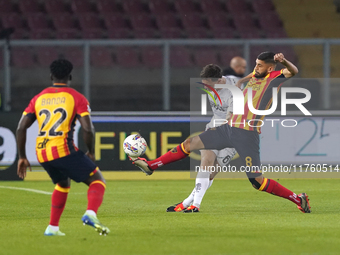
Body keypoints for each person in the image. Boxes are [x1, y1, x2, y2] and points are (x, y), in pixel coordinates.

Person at [132, 52, 311, 214]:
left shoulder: (274, 78)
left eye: (260, 65)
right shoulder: (255, 76)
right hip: (228, 128)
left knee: (257, 182)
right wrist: (241, 82)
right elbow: (244, 80)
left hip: (247, 134)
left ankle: (298, 198)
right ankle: (151, 166)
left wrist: (284, 61)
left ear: (270, 68)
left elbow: (293, 71)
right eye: (255, 64)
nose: (255, 67)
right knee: (190, 143)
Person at [16, 59, 110, 236]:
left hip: (42, 153)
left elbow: (21, 127)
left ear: (51, 76)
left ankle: (52, 228)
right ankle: (90, 214)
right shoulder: (76, 97)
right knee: (97, 180)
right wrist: (91, 151)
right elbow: (88, 129)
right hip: (62, 150)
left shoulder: (38, 97)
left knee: (62, 183)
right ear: (70, 77)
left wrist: (22, 156)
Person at [167, 63, 240, 213]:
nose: (205, 88)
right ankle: (196, 205)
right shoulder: (212, 84)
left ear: (219, 81)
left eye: (208, 85)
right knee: (205, 162)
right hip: (214, 126)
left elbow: (230, 118)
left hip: (234, 132)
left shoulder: (235, 93)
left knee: (211, 173)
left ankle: (187, 202)